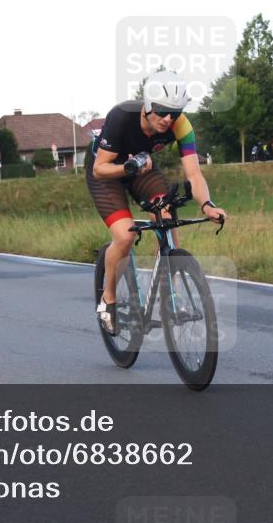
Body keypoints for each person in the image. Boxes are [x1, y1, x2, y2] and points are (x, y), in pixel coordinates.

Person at [86, 71, 227, 334]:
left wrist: (207, 204)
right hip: (106, 173)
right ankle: (109, 299)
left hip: (141, 166)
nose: (167, 119)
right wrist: (128, 169)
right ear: (148, 105)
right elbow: (99, 169)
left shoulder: (180, 125)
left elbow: (194, 173)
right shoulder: (122, 116)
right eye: (162, 112)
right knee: (125, 236)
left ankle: (170, 295)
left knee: (166, 211)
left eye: (174, 113)